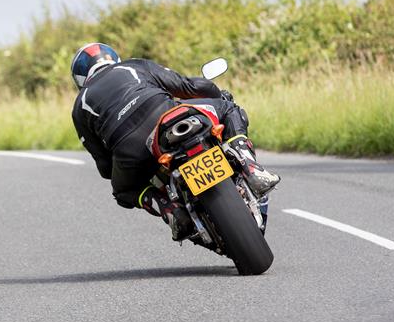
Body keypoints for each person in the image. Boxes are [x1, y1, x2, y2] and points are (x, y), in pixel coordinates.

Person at [70, 42, 280, 240]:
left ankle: (168, 209)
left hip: (130, 148)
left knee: (123, 191)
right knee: (229, 109)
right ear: (113, 58)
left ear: (79, 78)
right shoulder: (133, 66)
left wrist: (122, 160)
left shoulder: (80, 105)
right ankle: (249, 167)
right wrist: (218, 95)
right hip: (163, 112)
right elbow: (188, 86)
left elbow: (105, 168)